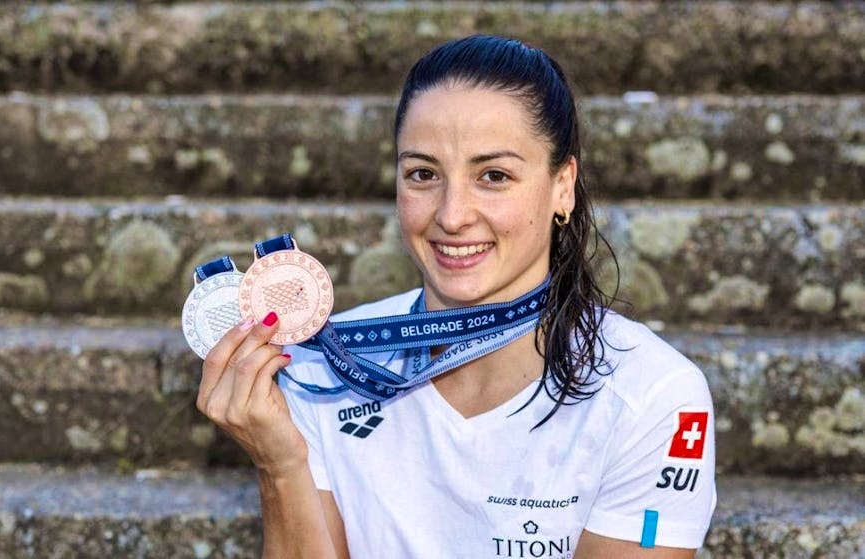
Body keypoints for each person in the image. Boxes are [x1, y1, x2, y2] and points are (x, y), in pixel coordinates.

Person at [196, 35, 716, 558]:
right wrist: (279, 466)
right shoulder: (322, 368)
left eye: (493, 175)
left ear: (563, 185)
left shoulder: (653, 394)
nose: (451, 215)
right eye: (423, 174)